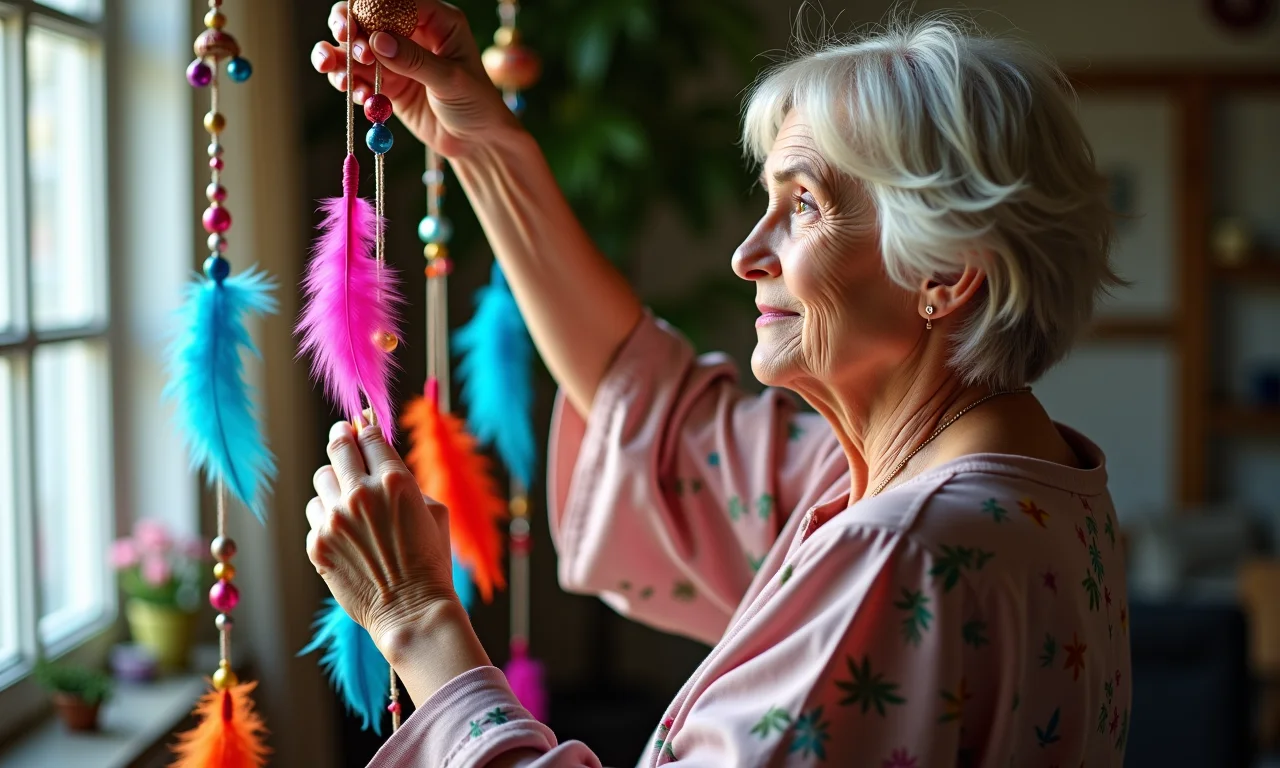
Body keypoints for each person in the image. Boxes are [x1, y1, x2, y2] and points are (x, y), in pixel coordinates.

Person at [306, 4, 1131, 766]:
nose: (747, 255)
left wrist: (415, 617)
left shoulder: (902, 552)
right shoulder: (1014, 486)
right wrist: (479, 145)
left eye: (803, 204)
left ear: (947, 272)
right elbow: (654, 414)